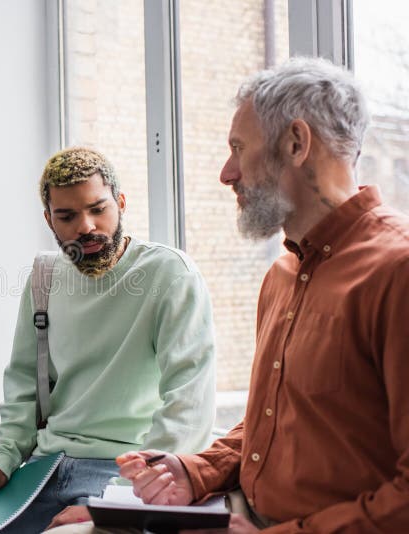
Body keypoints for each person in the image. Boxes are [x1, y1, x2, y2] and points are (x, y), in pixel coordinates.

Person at [55, 57, 409, 534]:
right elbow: (271, 422)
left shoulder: (397, 273)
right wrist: (192, 471)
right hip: (239, 511)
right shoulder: (283, 274)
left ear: (296, 143)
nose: (227, 173)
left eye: (239, 149)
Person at [0, 146, 217, 533]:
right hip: (43, 468)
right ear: (49, 220)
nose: (86, 226)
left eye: (98, 209)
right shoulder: (44, 276)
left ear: (121, 203)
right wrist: (3, 459)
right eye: (67, 216)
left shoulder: (170, 274)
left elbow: (188, 405)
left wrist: (124, 498)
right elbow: (25, 383)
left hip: (120, 470)